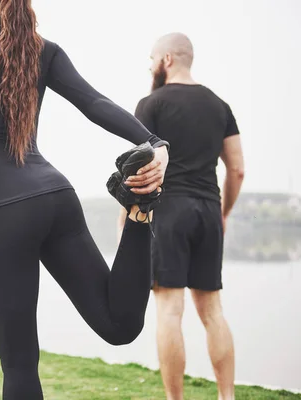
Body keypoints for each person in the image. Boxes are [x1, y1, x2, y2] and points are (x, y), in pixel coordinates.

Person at [0, 0, 170, 398]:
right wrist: (152, 141)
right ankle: (138, 214)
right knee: (119, 324)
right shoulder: (43, 48)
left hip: (1, 209)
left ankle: (137, 212)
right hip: (55, 195)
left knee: (19, 364)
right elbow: (93, 102)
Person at [118, 33, 245, 400]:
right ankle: (227, 396)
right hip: (207, 210)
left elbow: (136, 171)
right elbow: (236, 170)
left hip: (167, 212)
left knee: (170, 312)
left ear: (168, 59)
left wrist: (127, 219)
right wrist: (223, 214)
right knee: (213, 312)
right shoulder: (220, 106)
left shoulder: (151, 104)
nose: (150, 65)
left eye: (152, 58)